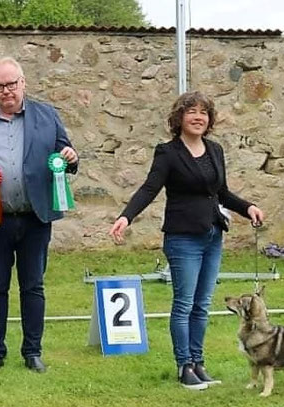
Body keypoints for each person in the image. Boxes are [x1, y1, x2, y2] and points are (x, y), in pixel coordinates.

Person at [109, 91, 264, 390]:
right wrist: (126, 216)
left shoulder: (215, 150)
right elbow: (149, 189)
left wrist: (248, 207)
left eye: (204, 112)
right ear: (179, 117)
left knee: (202, 305)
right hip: (182, 239)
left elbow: (223, 193)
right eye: (191, 111)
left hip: (212, 236)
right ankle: (184, 366)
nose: (198, 117)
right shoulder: (168, 153)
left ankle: (199, 363)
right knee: (184, 304)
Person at [0, 57, 78, 373]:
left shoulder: (48, 117)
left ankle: (32, 352)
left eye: (12, 84)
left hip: (35, 217)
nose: (6, 90)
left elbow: (67, 156)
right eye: (0, 86)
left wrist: (71, 158)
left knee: (33, 286)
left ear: (23, 82)